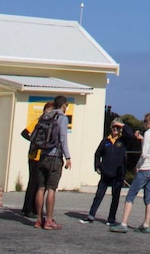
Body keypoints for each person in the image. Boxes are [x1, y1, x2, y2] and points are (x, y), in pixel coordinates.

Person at [109, 112, 150, 233]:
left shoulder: (148, 134)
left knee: (130, 196)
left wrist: (137, 166)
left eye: (144, 121)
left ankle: (124, 223)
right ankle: (146, 224)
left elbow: (144, 154)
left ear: (148, 122)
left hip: (145, 168)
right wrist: (141, 140)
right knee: (148, 198)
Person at [81, 118, 138, 226]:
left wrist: (122, 125)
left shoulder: (123, 140)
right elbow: (97, 154)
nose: (115, 129)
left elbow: (131, 135)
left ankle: (111, 219)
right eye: (114, 127)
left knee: (115, 197)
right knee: (99, 195)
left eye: (118, 127)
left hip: (118, 174)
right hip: (106, 172)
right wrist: (97, 166)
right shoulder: (105, 141)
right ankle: (91, 215)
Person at [32, 95, 72, 230]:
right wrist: (68, 157)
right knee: (51, 189)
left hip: (42, 155)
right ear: (64, 105)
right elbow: (62, 139)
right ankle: (49, 220)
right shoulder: (62, 118)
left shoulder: (46, 115)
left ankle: (38, 219)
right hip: (54, 157)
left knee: (40, 188)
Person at [21, 101, 54, 219]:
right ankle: (27, 208)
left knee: (41, 184)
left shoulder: (51, 124)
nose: (49, 113)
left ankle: (36, 208)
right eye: (48, 110)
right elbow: (24, 133)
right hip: (34, 156)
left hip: (44, 156)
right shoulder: (38, 121)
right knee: (33, 182)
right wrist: (34, 141)